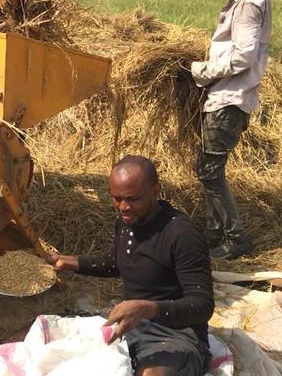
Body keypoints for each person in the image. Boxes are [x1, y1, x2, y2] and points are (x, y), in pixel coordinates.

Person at [48, 155, 214, 376]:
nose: (123, 207)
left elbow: (202, 306)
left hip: (176, 334)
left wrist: (146, 308)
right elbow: (115, 262)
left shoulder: (182, 235)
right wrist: (71, 262)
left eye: (132, 199)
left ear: (156, 192)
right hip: (132, 326)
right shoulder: (128, 221)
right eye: (116, 198)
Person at [189, 0, 272, 260]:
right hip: (225, 95)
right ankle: (213, 233)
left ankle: (236, 239)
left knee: (210, 172)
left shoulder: (250, 3)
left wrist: (200, 71)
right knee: (207, 169)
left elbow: (243, 56)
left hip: (229, 99)